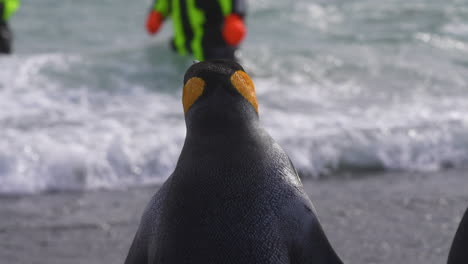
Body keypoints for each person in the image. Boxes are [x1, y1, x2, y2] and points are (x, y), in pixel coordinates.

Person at [145, 0, 246, 61]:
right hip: (183, 50)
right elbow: (163, 3)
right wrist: (157, 13)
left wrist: (235, 16)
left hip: (215, 50)